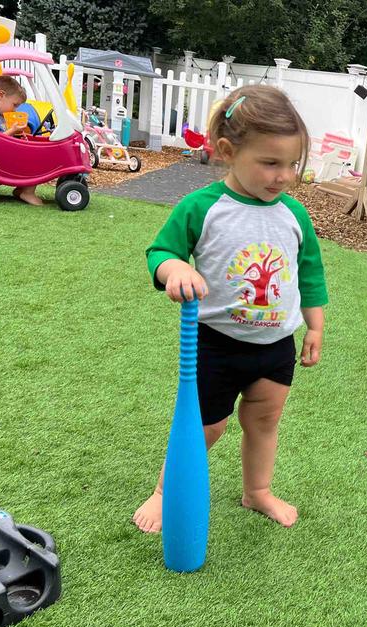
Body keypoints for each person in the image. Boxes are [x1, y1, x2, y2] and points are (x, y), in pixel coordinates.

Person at [133, 85, 328, 531]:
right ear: (227, 151)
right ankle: (165, 492)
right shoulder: (202, 207)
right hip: (214, 345)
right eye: (270, 163)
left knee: (264, 420)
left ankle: (257, 491)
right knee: (204, 428)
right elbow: (161, 252)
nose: (283, 176)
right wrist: (175, 270)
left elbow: (310, 273)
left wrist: (314, 327)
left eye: (292, 165)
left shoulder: (294, 216)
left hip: (276, 344)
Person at [0, 75, 43, 206]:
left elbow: (1, 135)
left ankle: (21, 189)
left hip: (1, 155)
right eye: (15, 104)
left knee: (31, 149)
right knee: (35, 157)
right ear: (1, 95)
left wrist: (15, 132)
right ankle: (27, 192)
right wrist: (12, 130)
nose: (15, 109)